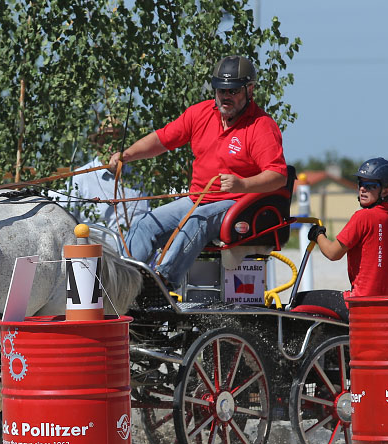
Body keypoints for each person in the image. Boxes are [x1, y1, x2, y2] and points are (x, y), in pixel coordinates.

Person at [109, 55, 288, 288]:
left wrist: (242, 185)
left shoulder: (261, 126)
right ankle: (124, 285)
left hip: (237, 205)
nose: (225, 96)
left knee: (197, 220)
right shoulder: (200, 113)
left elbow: (278, 176)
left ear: (250, 89)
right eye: (220, 90)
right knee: (146, 223)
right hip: (197, 200)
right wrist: (127, 155)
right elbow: (162, 140)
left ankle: (161, 284)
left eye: (233, 91)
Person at [308, 157, 388, 305]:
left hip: (360, 305)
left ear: (386, 191)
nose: (363, 188)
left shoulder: (363, 217)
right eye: (361, 184)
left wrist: (317, 234)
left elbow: (333, 253)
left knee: (301, 301)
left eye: (370, 185)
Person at [66, 118, 150, 232]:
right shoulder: (79, 179)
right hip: (98, 249)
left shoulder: (139, 177)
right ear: (98, 144)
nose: (112, 147)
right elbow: (65, 224)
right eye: (106, 141)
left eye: (117, 141)